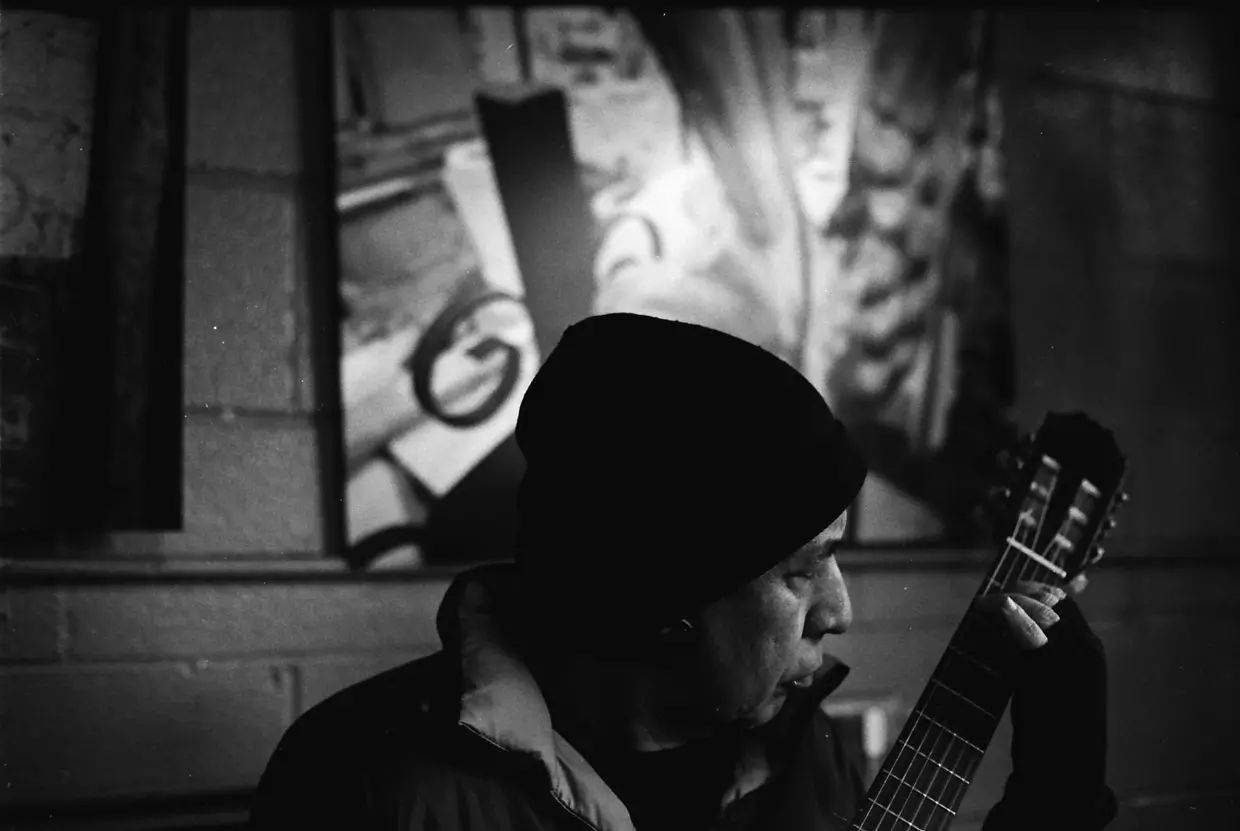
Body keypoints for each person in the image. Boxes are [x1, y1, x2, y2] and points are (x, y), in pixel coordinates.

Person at [249, 313, 1115, 831]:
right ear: (664, 605)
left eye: (839, 553)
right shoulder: (365, 788)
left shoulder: (801, 758)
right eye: (801, 570)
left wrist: (1058, 786)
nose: (840, 611)